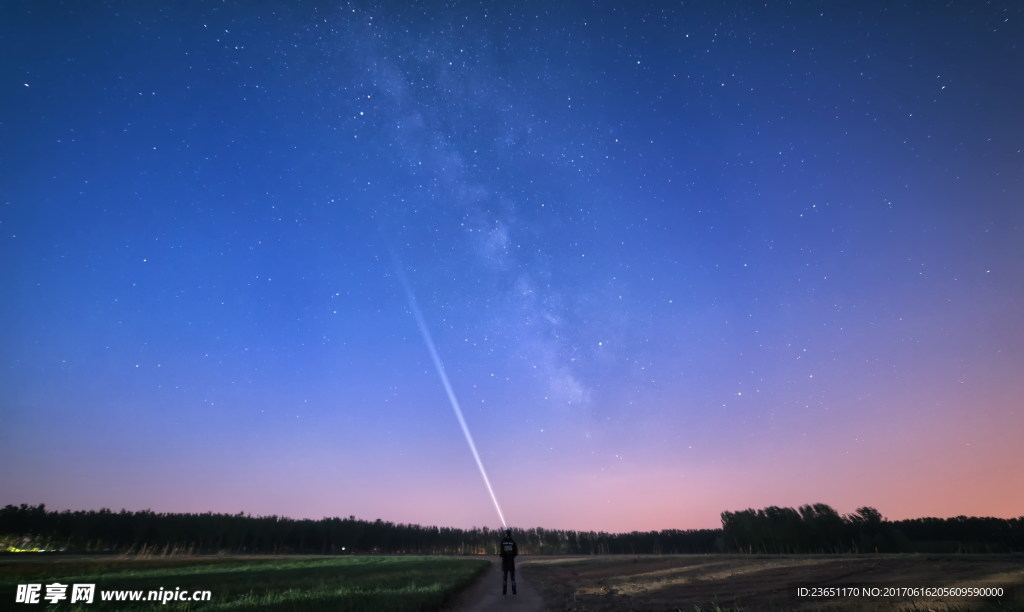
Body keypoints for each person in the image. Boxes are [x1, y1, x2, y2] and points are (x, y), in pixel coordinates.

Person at [499, 528, 518, 597]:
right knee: (512, 578)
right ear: (510, 534)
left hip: (505, 562)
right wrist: (511, 556)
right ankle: (514, 593)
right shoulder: (513, 542)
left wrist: (504, 555)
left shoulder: (502, 541)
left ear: (506, 534)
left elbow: (501, 552)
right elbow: (515, 553)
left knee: (505, 578)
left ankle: (504, 594)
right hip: (511, 562)